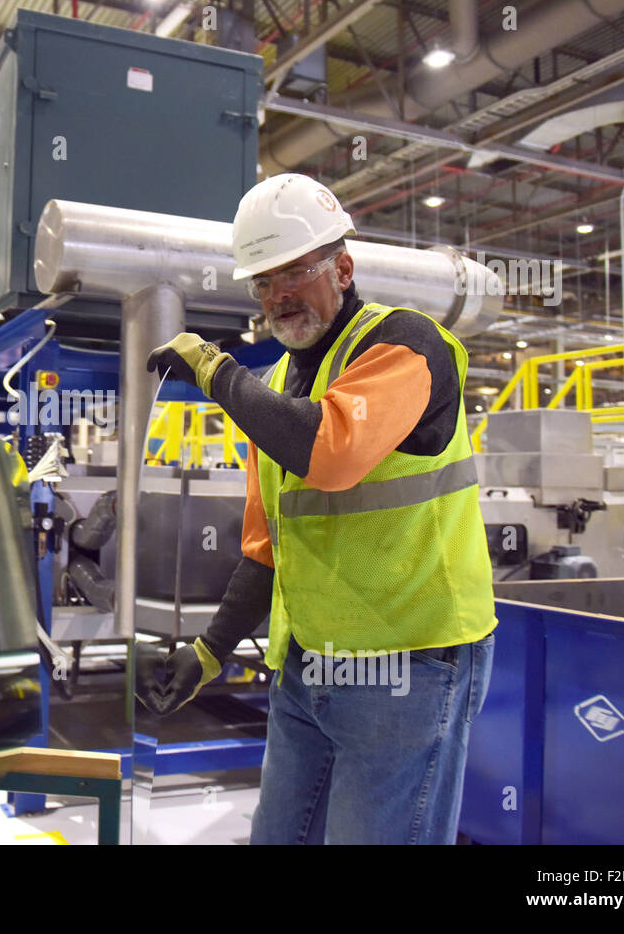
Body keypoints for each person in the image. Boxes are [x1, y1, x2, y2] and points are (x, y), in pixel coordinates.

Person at [141, 173, 497, 844]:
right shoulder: (274, 388)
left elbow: (330, 449)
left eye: (294, 273)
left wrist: (214, 370)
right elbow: (267, 547)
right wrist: (210, 652)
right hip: (306, 671)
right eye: (263, 283)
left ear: (343, 266)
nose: (278, 296)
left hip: (407, 668)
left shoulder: (405, 344)